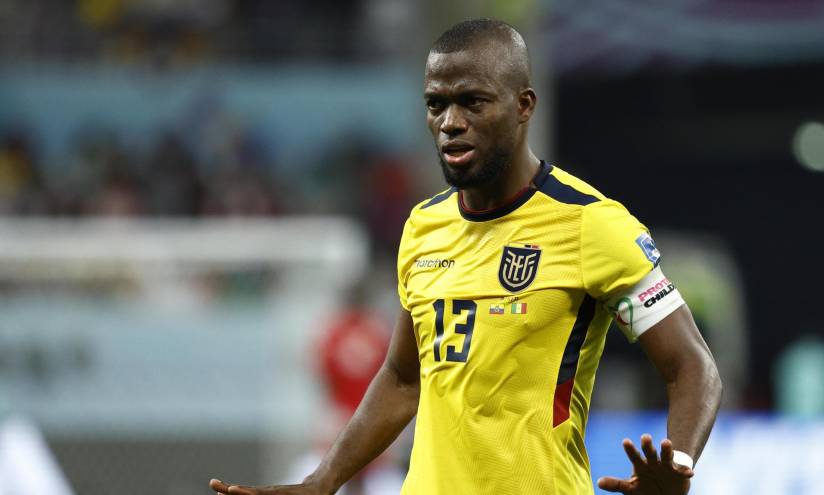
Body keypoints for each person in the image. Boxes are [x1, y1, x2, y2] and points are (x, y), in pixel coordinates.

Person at [210, 18, 722, 495]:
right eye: (436, 104)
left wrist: (679, 463)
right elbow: (403, 379)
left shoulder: (592, 225)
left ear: (523, 105)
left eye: (473, 102)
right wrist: (323, 481)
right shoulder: (423, 228)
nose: (450, 122)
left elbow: (692, 366)